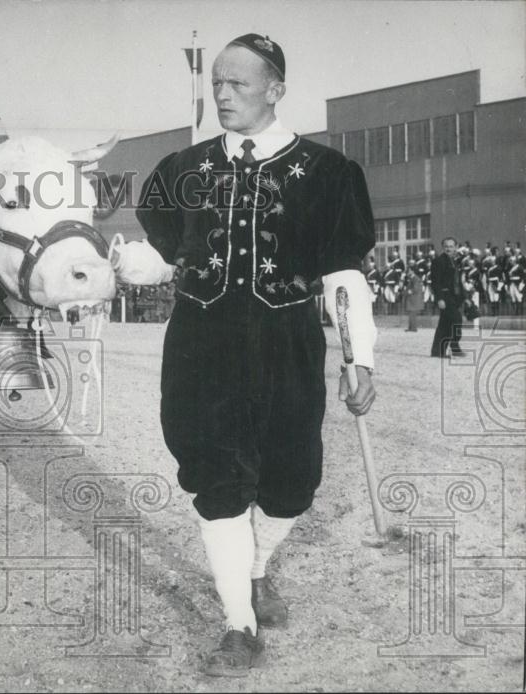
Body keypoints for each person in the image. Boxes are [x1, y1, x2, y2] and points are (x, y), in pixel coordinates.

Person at [113, 33, 376, 677]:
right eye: (218, 85)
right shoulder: (182, 169)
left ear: (276, 91)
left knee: (291, 488)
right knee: (218, 483)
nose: (223, 95)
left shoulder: (328, 174)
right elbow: (163, 254)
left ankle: (259, 570)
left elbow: (344, 276)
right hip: (200, 350)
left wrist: (359, 356)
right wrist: (126, 264)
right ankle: (238, 623)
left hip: (287, 348)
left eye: (238, 84)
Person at [430, 237, 465, 357]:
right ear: (443, 247)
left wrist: (465, 297)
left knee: (444, 324)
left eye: (451, 246)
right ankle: (454, 345)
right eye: (446, 246)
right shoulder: (438, 261)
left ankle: (437, 352)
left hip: (454, 297)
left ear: (455, 247)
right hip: (445, 297)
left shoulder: (454, 262)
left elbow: (457, 281)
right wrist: (439, 298)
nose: (448, 249)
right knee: (457, 319)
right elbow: (436, 282)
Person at [403, 266, 424, 331]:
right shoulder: (412, 278)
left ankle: (413, 328)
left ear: (413, 271)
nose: (408, 272)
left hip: (414, 299)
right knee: (411, 314)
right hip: (412, 298)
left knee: (412, 314)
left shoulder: (415, 278)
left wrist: (408, 292)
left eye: (409, 270)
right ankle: (411, 327)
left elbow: (416, 288)